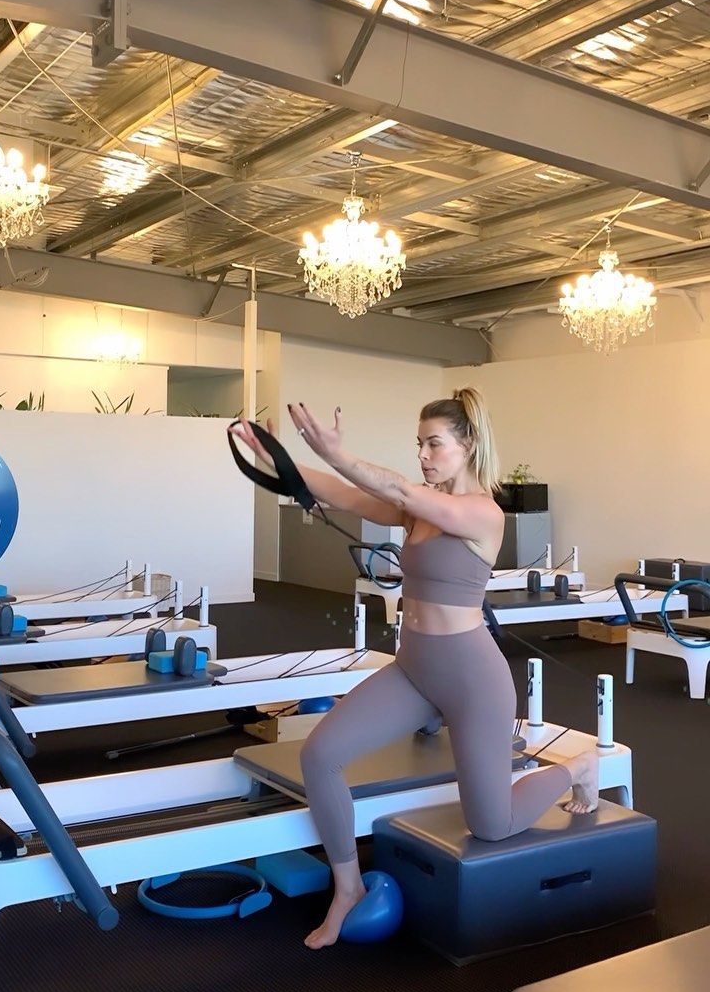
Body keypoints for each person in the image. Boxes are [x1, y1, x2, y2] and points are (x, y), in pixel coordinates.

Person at [228, 387, 598, 951]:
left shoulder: (481, 512)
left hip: (473, 679)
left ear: (468, 444)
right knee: (320, 756)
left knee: (492, 825)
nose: (423, 456)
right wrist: (271, 452)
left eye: (434, 444)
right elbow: (346, 495)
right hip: (415, 669)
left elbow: (393, 485)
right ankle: (346, 887)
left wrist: (335, 451)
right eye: (418, 444)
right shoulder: (418, 507)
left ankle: (576, 769)